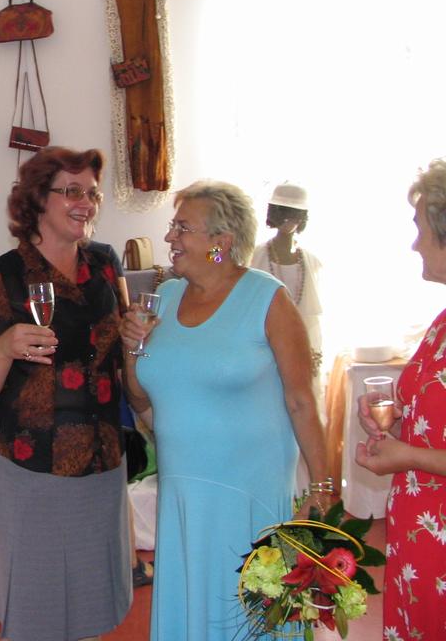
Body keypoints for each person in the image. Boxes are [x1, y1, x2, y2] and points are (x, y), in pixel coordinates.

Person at [120, 180, 329, 641]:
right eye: (173, 226)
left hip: (248, 493)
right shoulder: (165, 297)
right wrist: (131, 347)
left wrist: (323, 486)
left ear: (222, 242)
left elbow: (301, 400)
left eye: (183, 228)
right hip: (183, 491)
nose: (170, 237)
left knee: (247, 614)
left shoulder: (267, 299)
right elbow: (140, 399)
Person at [0, 147, 131, 641]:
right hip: (32, 466)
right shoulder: (3, 278)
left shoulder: (104, 268)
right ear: (37, 199)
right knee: (36, 608)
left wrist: (138, 338)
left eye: (92, 193)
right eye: (71, 191)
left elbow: (119, 353)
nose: (86, 202)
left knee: (92, 605)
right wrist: (4, 347)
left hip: (101, 460)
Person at [355, 159, 446, 640]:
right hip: (419, 539)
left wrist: (406, 454)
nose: (415, 244)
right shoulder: (441, 322)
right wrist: (392, 424)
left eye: (420, 229)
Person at [250, 183, 324, 401]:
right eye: (282, 212)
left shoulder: (312, 262)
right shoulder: (254, 255)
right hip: (263, 345)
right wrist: (214, 247)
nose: (288, 220)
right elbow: (215, 260)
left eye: (294, 214)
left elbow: (313, 321)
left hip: (302, 346)